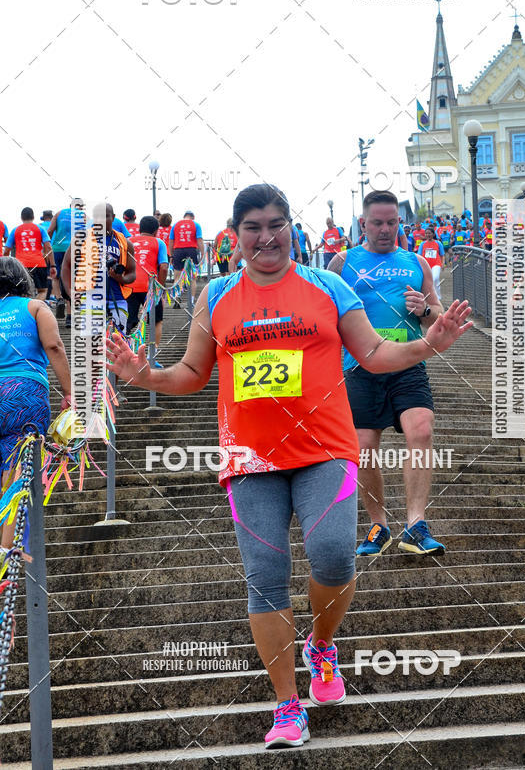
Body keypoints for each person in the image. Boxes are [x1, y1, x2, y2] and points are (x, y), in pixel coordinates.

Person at [106, 183, 471, 749]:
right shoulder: (217, 295)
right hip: (250, 458)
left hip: (326, 448)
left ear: (290, 230)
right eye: (252, 227)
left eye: (276, 224)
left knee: (335, 555)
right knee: (266, 576)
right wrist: (144, 375)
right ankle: (287, 704)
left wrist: (428, 345)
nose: (266, 236)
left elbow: (374, 353)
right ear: (234, 236)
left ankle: (321, 644)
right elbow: (193, 373)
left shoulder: (327, 285)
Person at [327, 189, 446, 559]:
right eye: (377, 223)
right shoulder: (342, 262)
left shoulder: (416, 262)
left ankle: (416, 524)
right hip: (359, 366)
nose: (385, 229)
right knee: (364, 448)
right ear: (363, 224)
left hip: (407, 363)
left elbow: (438, 316)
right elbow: (324, 314)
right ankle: (378, 524)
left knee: (421, 429)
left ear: (399, 223)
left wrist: (424, 309)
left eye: (392, 222)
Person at [0, 257, 72, 551]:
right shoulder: (36, 308)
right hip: (24, 395)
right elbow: (54, 346)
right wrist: (69, 392)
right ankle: (5, 552)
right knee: (17, 468)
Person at [61, 203, 136, 332]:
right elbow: (66, 266)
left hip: (117, 299)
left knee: (117, 340)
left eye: (105, 216)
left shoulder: (125, 243)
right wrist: (70, 292)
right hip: (89, 298)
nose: (100, 220)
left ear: (113, 217)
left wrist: (120, 278)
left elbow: (132, 273)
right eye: (97, 216)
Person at [127, 216, 168, 349]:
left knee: (127, 321)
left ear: (140, 229)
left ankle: (123, 350)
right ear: (156, 231)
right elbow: (164, 267)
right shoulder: (159, 242)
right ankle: (152, 353)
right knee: (156, 321)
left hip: (129, 285)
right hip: (150, 287)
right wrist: (160, 288)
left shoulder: (128, 241)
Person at [4, 207, 56, 300]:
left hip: (20, 265)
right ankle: (34, 306)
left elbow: (7, 250)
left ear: (21, 217)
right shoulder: (40, 229)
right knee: (42, 291)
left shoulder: (15, 230)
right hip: (39, 264)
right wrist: (52, 265)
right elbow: (48, 247)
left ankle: (25, 307)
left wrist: (6, 266)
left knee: (22, 292)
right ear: (33, 217)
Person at [169, 211, 204, 304]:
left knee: (177, 277)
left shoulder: (175, 225)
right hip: (191, 250)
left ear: (184, 216)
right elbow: (199, 240)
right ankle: (191, 300)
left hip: (178, 250)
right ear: (193, 217)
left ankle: (177, 296)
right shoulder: (196, 225)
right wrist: (202, 254)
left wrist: (171, 255)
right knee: (192, 278)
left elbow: (171, 241)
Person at [417, 227, 444, 298]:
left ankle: (438, 297)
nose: (427, 235)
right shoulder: (422, 244)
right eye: (426, 233)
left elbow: (442, 255)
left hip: (436, 264)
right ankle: (427, 296)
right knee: (425, 281)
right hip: (425, 265)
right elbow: (419, 255)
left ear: (433, 234)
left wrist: (443, 264)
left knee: (435, 278)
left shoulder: (438, 243)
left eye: (429, 233)